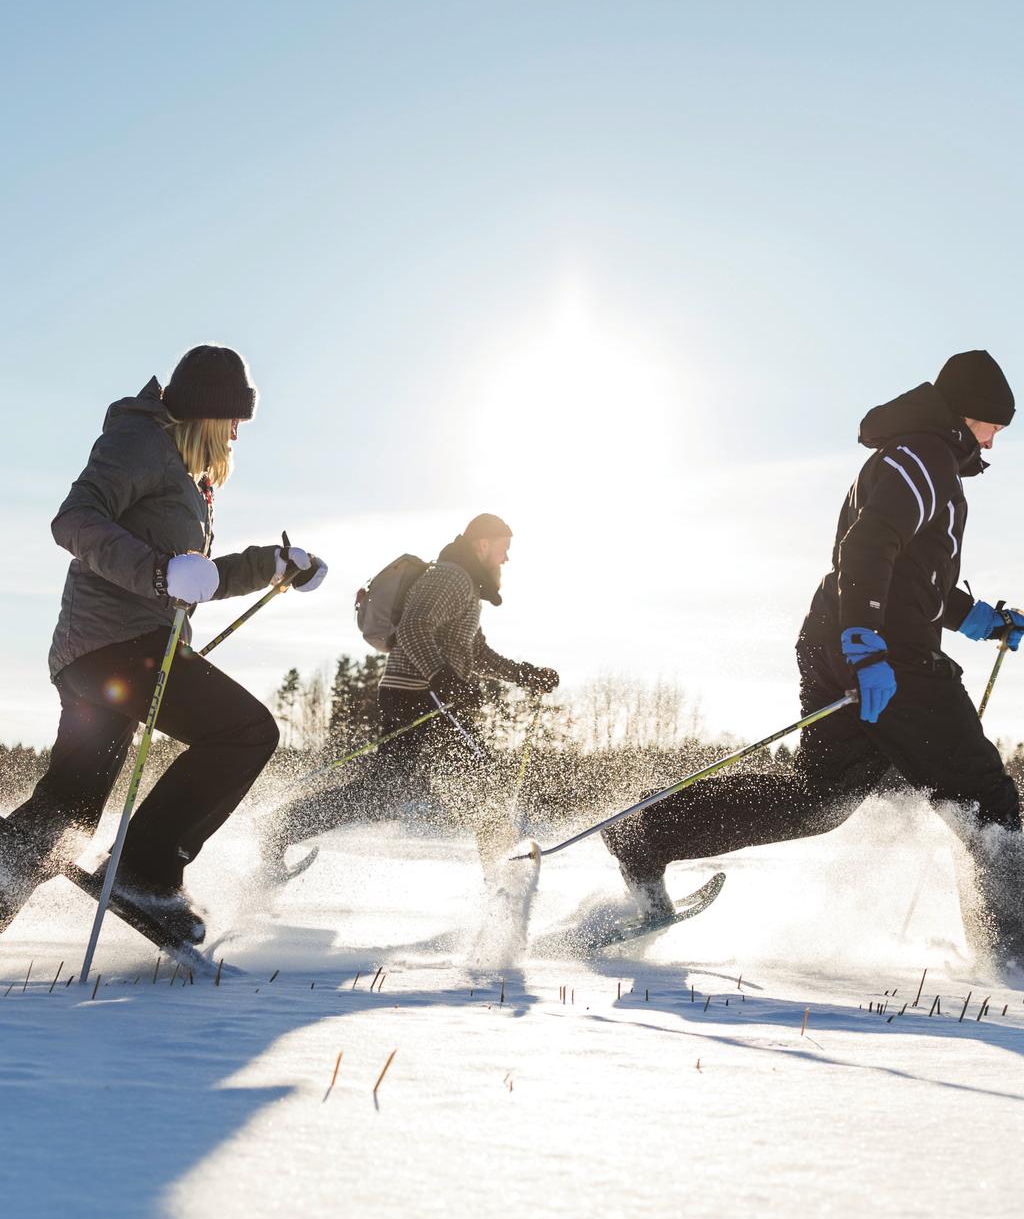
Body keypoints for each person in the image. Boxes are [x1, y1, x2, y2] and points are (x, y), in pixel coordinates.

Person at [605, 349, 1024, 968]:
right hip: (886, 656)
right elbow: (865, 551)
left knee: (817, 799)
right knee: (987, 798)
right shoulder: (924, 458)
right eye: (993, 425)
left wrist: (979, 619)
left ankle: (646, 832)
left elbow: (914, 583)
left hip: (850, 640)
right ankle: (1012, 956)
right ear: (967, 416)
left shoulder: (918, 456)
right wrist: (867, 646)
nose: (993, 441)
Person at [0, 346, 328, 943]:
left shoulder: (183, 475)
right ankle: (144, 871)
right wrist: (158, 573)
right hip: (116, 646)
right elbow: (73, 519)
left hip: (106, 653)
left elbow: (196, 578)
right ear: (206, 411)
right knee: (246, 731)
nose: (236, 434)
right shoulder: (140, 442)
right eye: (233, 420)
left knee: (64, 815)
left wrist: (274, 566)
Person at [257, 513, 558, 876]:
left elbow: (475, 652)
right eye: (503, 549)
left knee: (384, 793)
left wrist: (523, 674)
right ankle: (505, 878)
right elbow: (414, 627)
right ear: (482, 544)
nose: (506, 558)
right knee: (485, 781)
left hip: (419, 693)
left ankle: (282, 827)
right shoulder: (451, 577)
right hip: (424, 695)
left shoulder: (463, 584)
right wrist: (443, 679)